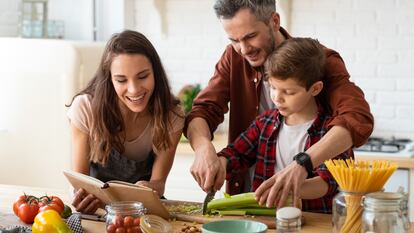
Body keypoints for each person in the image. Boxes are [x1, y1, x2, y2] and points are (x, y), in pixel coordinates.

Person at [185, 0, 373, 209]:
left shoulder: (317, 60)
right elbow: (204, 110)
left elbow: (356, 117)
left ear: (274, 21)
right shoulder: (234, 57)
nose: (243, 49)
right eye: (234, 40)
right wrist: (204, 149)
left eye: (250, 36)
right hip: (253, 204)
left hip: (312, 212)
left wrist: (303, 163)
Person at [217, 37, 353, 213]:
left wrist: (283, 188)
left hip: (313, 222)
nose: (277, 98)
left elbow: (328, 182)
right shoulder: (264, 123)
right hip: (266, 222)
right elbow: (236, 154)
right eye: (273, 87)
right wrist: (220, 163)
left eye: (288, 92)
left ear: (315, 89)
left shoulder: (332, 132)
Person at [66, 30, 184, 214]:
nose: (134, 89)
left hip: (144, 211)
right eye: (121, 80)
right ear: (109, 79)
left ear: (155, 73)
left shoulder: (172, 115)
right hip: (98, 212)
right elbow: (80, 181)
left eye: (143, 76)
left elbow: (159, 183)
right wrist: (80, 197)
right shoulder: (85, 108)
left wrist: (151, 187)